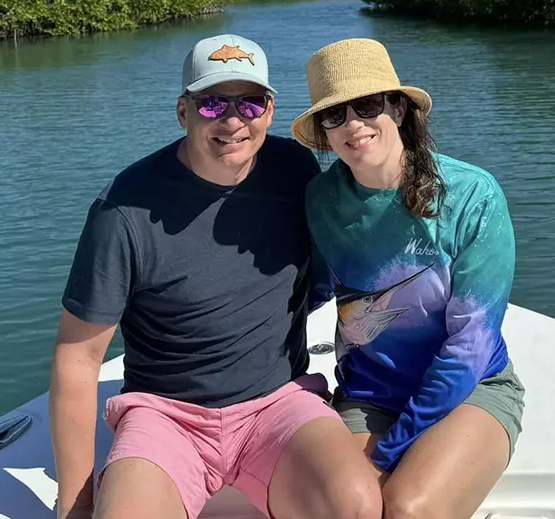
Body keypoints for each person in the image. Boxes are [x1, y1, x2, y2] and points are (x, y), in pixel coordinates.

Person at [49, 34, 383, 519]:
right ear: (182, 112)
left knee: (355, 504)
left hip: (278, 403)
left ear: (269, 110)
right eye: (211, 104)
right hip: (165, 415)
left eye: (249, 103)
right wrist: (77, 504)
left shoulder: (295, 171)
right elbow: (78, 359)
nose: (232, 121)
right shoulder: (122, 209)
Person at [292, 37, 525, 519]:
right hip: (369, 393)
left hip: (473, 389)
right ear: (324, 131)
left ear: (397, 108)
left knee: (407, 508)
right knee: (345, 507)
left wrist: (390, 453)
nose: (353, 124)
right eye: (335, 115)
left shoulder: (472, 195)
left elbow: (471, 344)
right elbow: (302, 293)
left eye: (368, 105)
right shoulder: (320, 198)